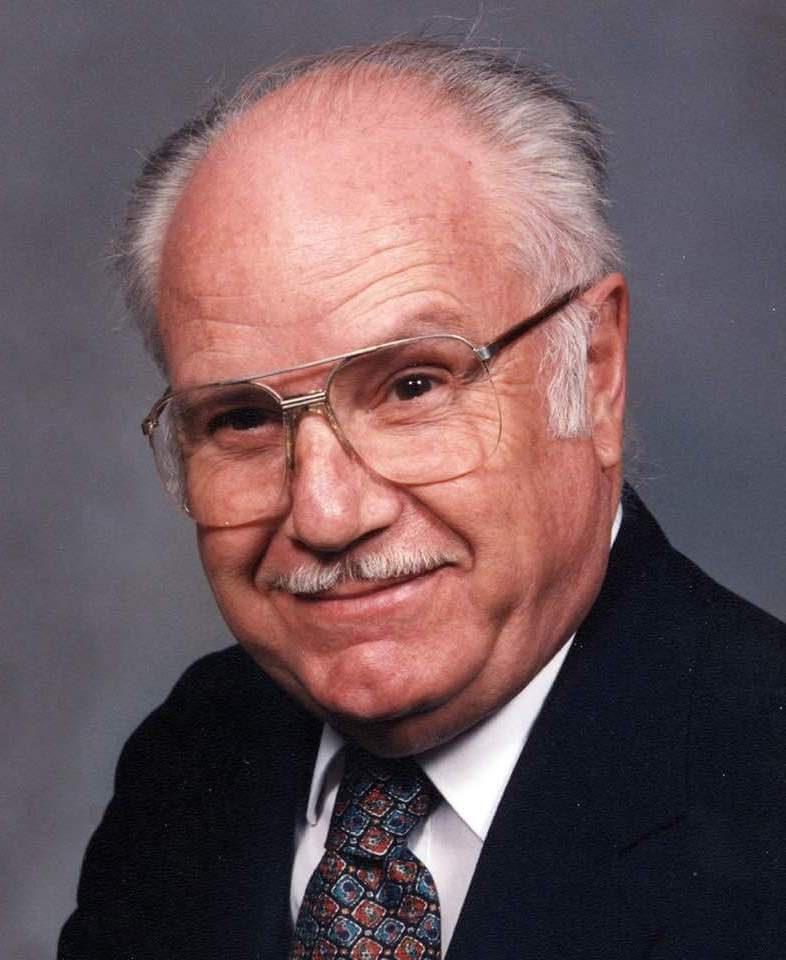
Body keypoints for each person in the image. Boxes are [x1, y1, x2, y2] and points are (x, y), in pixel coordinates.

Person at [59, 39, 785, 960]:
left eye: (412, 388)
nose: (326, 515)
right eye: (242, 419)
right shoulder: (191, 758)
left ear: (595, 372)